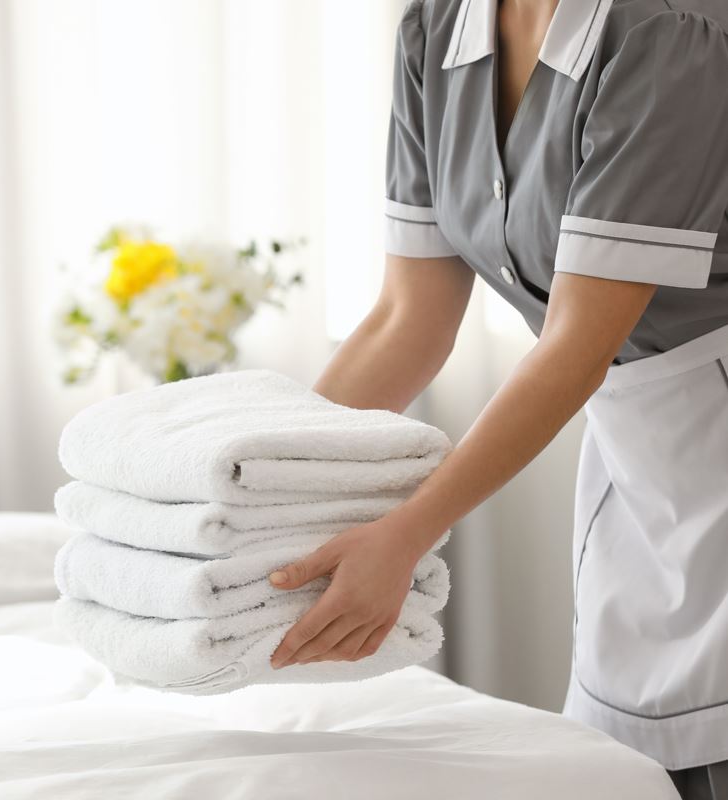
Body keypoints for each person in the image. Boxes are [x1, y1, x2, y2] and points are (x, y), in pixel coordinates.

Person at [266, 1, 728, 796]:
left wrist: (404, 533)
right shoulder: (437, 29)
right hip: (637, 448)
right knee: (637, 761)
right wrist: (258, 487)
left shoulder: (668, 31)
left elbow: (577, 343)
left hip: (704, 414)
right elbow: (407, 321)